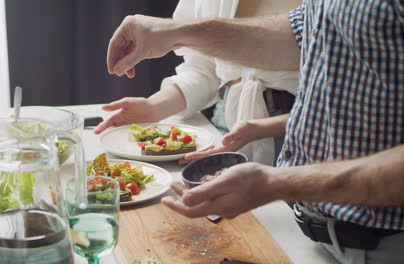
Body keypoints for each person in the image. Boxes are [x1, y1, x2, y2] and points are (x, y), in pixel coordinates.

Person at [105, 1, 404, 263]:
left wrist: (279, 182)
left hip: (385, 245)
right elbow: (300, 34)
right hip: (320, 235)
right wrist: (175, 32)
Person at [95, 0, 301, 166]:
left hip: (298, 133)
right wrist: (155, 107)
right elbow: (204, 66)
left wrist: (173, 31)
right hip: (226, 126)